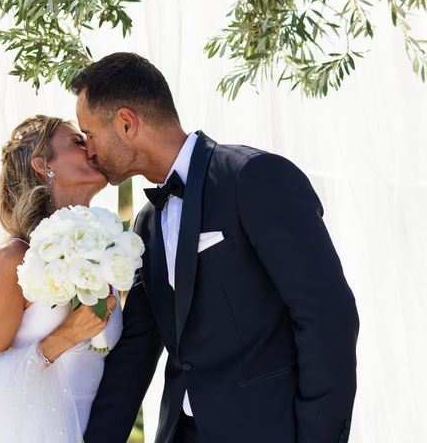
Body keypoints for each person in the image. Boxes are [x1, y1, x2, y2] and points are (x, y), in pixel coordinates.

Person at [75, 53, 360, 443]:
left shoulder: (253, 178)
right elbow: (136, 355)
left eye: (89, 134)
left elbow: (327, 317)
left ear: (126, 123)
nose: (88, 150)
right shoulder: (147, 223)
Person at [0, 115, 122, 442]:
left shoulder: (104, 253)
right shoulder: (14, 260)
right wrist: (62, 338)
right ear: (43, 164)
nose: (92, 148)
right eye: (78, 142)